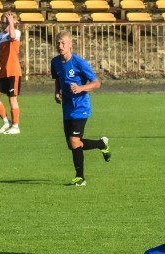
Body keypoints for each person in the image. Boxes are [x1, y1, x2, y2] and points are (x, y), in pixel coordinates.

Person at [50, 30, 111, 187]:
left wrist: (81, 88)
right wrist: (57, 92)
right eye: (58, 43)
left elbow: (97, 83)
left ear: (70, 44)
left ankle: (80, 177)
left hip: (81, 107)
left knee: (74, 140)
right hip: (67, 108)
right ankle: (101, 144)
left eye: (63, 43)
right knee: (72, 144)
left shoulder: (79, 62)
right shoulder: (55, 62)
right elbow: (58, 79)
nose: (60, 45)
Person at [0, 12, 22, 135]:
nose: (3, 25)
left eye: (6, 22)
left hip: (13, 71)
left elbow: (12, 36)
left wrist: (11, 23)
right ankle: (6, 122)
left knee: (12, 99)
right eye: (2, 22)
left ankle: (15, 126)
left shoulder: (16, 32)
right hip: (3, 72)